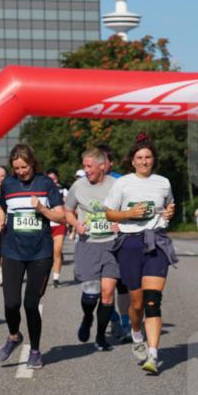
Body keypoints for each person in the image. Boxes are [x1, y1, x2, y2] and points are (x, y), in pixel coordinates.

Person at [104, 134, 177, 375]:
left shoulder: (163, 182)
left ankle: (153, 355)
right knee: (136, 304)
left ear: (153, 159)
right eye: (139, 158)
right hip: (130, 244)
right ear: (132, 161)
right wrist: (129, 214)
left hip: (155, 241)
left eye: (148, 157)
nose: (144, 161)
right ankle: (137, 334)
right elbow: (109, 214)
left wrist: (167, 214)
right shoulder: (122, 183)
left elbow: (169, 206)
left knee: (152, 300)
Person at [0, 145, 65, 369]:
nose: (21, 172)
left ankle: (35, 350)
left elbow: (61, 216)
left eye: (24, 167)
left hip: (40, 252)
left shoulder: (45, 184)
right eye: (16, 168)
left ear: (32, 163)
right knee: (11, 303)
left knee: (31, 304)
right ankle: (14, 336)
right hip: (13, 250)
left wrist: (42, 209)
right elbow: (2, 207)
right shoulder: (8, 184)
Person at [65, 148, 121, 352]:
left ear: (103, 166)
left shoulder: (117, 186)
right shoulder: (77, 186)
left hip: (112, 245)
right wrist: (75, 224)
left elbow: (126, 211)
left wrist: (120, 224)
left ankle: (100, 336)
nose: (85, 170)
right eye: (84, 166)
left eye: (89, 166)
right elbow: (68, 210)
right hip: (88, 244)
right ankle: (87, 317)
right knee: (91, 294)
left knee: (107, 294)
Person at [95, 143, 131, 340]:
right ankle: (114, 318)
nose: (99, 166)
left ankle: (125, 322)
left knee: (122, 285)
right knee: (101, 286)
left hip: (120, 240)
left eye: (103, 161)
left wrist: (122, 221)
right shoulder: (87, 181)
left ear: (110, 163)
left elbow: (131, 207)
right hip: (95, 241)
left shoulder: (122, 181)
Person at [45, 168, 66, 289]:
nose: (52, 181)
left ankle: (56, 278)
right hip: (46, 225)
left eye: (54, 178)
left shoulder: (63, 190)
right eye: (49, 179)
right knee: (49, 252)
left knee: (57, 250)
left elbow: (68, 205)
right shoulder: (41, 190)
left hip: (59, 224)